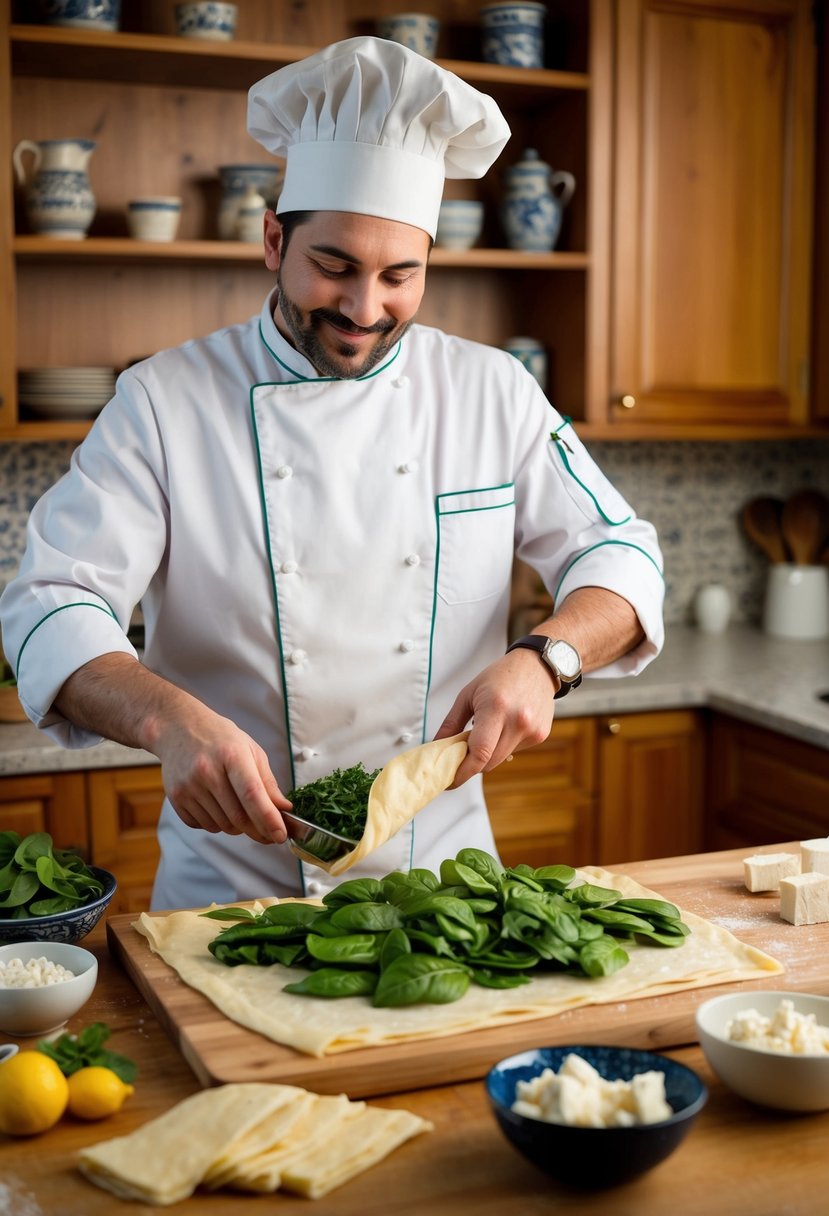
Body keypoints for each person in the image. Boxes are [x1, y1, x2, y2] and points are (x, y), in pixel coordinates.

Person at [0, 37, 664, 910]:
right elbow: (52, 599)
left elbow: (620, 553)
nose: (364, 309)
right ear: (273, 239)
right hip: (230, 886)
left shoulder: (491, 390)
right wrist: (169, 723)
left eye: (400, 276)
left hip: (442, 887)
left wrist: (549, 658)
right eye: (335, 267)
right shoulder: (163, 401)